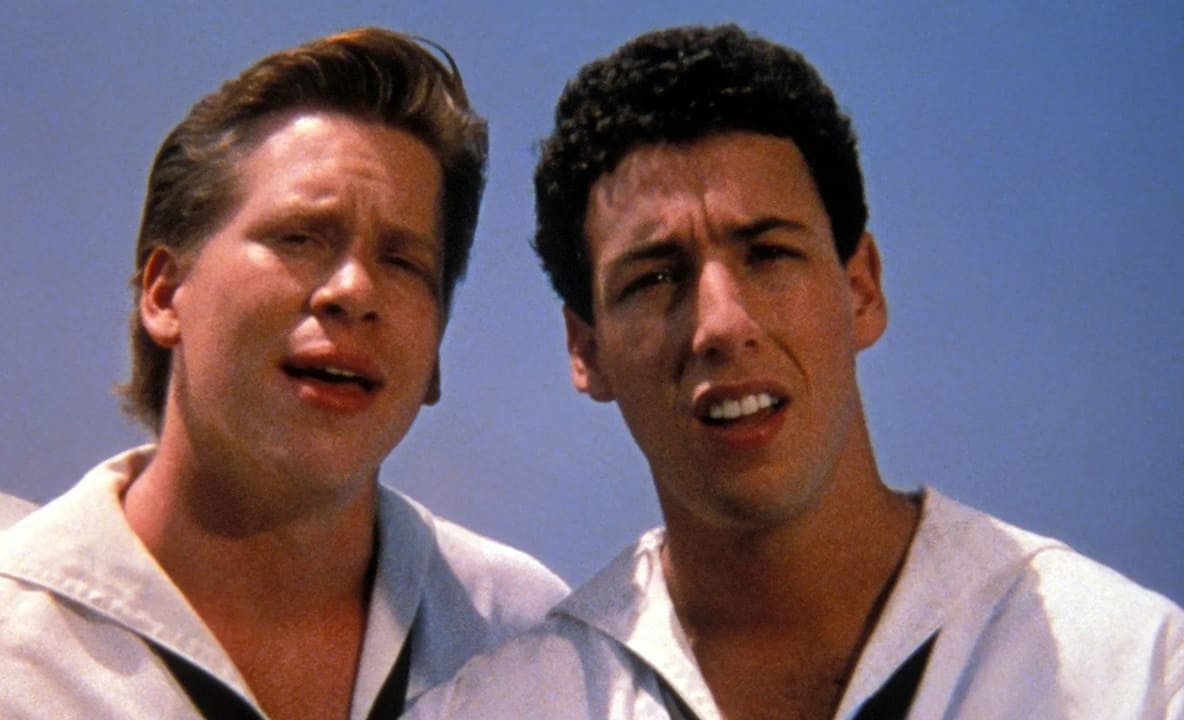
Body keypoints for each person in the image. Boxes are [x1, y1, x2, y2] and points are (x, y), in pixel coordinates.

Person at [406, 24, 1184, 720]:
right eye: (656, 278)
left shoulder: (1135, 674)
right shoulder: (501, 708)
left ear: (862, 288)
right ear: (587, 349)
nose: (722, 324)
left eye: (769, 254)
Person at [0, 27, 567, 720]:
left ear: (434, 353)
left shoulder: (528, 641)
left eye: (403, 262)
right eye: (300, 237)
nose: (354, 291)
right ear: (165, 294)